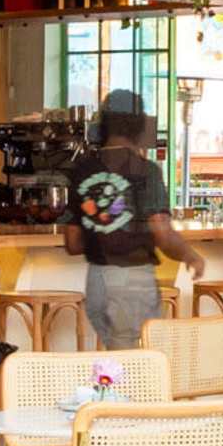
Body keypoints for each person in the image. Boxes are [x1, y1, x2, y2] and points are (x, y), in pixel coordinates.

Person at [63, 87, 200, 349]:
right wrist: (189, 255)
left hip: (96, 281)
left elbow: (72, 243)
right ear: (139, 126)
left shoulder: (81, 170)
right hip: (132, 279)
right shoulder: (145, 171)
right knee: (134, 365)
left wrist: (102, 230)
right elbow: (162, 233)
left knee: (117, 359)